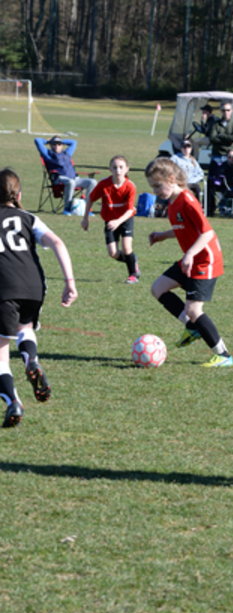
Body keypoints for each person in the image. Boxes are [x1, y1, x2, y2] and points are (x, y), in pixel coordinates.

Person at [0, 168, 78, 428]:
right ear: (19, 194)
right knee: (25, 328)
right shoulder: (28, 218)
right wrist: (69, 282)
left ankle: (13, 401)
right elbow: (57, 243)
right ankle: (31, 359)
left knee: (0, 353)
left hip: (4, 288)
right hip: (33, 286)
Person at [145, 158, 233, 368]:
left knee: (194, 309)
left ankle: (223, 355)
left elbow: (207, 232)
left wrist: (190, 254)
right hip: (192, 258)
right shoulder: (172, 202)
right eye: (152, 187)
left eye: (158, 185)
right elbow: (183, 228)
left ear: (171, 178)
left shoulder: (187, 200)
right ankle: (192, 327)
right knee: (158, 288)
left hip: (205, 260)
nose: (155, 191)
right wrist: (162, 235)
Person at [81, 155, 140, 284]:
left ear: (127, 169)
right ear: (110, 169)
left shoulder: (130, 186)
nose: (118, 170)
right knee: (113, 253)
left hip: (125, 219)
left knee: (126, 247)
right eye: (115, 167)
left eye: (121, 167)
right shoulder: (104, 184)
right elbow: (91, 198)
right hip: (110, 221)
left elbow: (130, 210)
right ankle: (132, 260)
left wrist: (118, 221)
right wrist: (85, 218)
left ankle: (133, 275)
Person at [34, 135, 97, 215]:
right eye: (54, 144)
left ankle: (87, 208)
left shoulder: (67, 153)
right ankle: (67, 208)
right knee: (70, 182)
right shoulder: (47, 154)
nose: (57, 146)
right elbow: (37, 140)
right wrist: (49, 141)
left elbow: (74, 142)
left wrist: (61, 141)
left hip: (74, 179)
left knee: (92, 182)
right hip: (59, 179)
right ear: (51, 145)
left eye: (59, 144)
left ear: (62, 145)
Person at [207, 103, 233, 216]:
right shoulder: (216, 124)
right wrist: (226, 139)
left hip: (229, 157)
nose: (226, 112)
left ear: (231, 111)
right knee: (212, 182)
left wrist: (220, 135)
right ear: (221, 111)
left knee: (228, 182)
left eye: (228, 110)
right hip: (216, 157)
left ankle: (227, 207)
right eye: (224, 110)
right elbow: (212, 138)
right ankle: (210, 209)